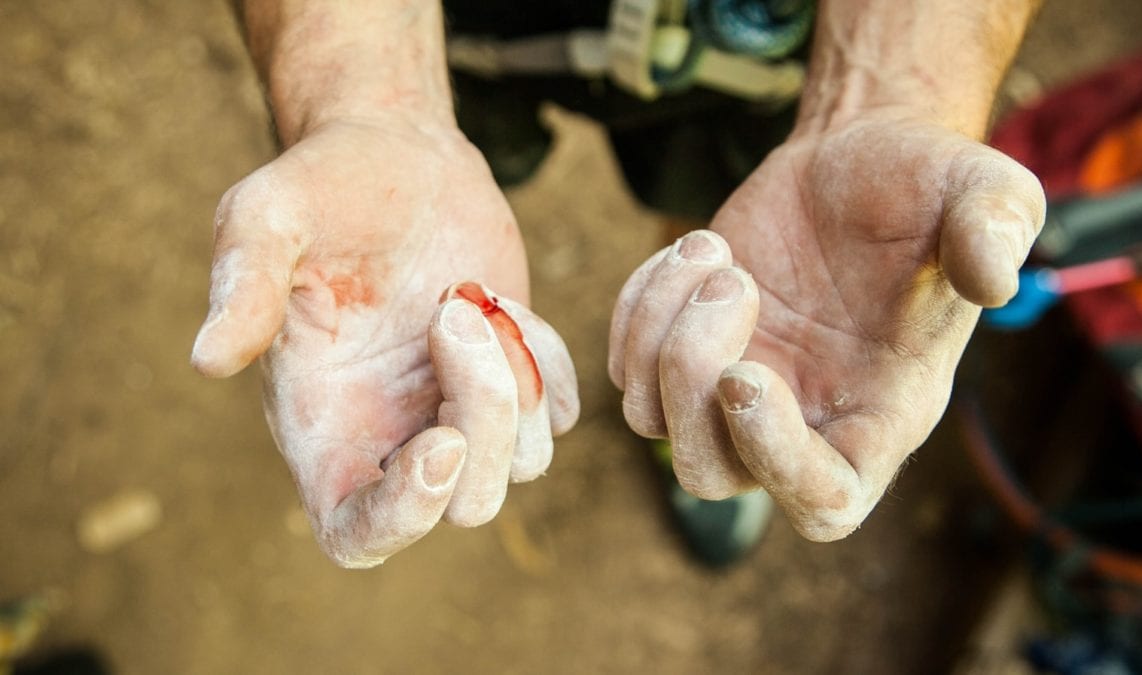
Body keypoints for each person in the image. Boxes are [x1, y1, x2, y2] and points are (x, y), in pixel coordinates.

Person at [191, 0, 1047, 568]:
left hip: (762, 35)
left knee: (724, 232)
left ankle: (694, 395)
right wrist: (363, 95)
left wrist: (887, 93)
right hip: (464, 23)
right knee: (443, 177)